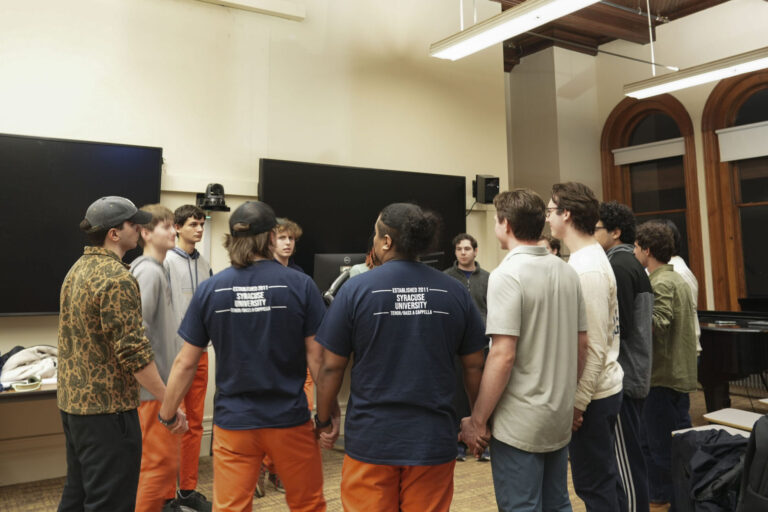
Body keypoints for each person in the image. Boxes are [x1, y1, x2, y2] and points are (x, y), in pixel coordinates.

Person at [159, 200, 333, 512]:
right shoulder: (301, 285)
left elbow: (185, 362)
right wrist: (326, 415)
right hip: (289, 421)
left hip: (234, 423)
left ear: (232, 240)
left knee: (231, 508)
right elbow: (319, 361)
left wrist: (168, 413)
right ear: (270, 239)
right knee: (308, 505)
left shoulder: (212, 288)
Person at [314, 203, 487, 512]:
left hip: (371, 440)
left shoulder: (355, 290)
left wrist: (324, 418)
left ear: (386, 242)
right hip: (433, 440)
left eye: (375, 233)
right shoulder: (454, 291)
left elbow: (330, 367)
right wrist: (477, 419)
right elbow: (474, 364)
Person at [460, 189, 587, 512]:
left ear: (505, 224)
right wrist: (568, 397)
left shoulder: (506, 275)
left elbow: (503, 355)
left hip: (520, 422)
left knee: (521, 506)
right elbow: (582, 343)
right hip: (557, 415)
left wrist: (478, 419)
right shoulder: (567, 272)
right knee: (557, 503)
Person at [57, 196, 186, 512]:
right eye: (133, 223)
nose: (140, 227)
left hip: (74, 406)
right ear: (114, 233)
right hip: (108, 411)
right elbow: (134, 352)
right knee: (110, 501)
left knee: (78, 494)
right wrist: (168, 402)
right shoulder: (117, 277)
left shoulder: (77, 269)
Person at [547, 182, 626, 512]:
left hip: (594, 396)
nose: (547, 218)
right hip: (594, 393)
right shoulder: (583, 259)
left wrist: (577, 404)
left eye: (551, 211)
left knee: (594, 485)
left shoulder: (588, 268)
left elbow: (593, 346)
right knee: (601, 481)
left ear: (566, 214)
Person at [634, 221, 698, 511]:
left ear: (647, 250)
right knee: (670, 442)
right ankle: (669, 494)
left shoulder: (660, 282)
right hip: (673, 376)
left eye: (636, 246)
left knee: (661, 447)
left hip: (662, 378)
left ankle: (671, 497)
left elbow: (657, 324)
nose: (634, 251)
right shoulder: (677, 280)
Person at [595, 201, 654, 512]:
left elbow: (620, 329)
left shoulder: (618, 265)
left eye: (597, 229)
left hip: (625, 377)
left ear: (615, 232)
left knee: (627, 467)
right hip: (634, 373)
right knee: (629, 459)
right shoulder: (629, 261)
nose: (591, 235)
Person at [131, 204, 188, 512]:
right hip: (152, 393)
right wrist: (164, 393)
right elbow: (136, 339)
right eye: (166, 227)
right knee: (157, 467)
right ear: (145, 233)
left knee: (161, 466)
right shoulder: (148, 272)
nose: (173, 231)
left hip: (159, 391)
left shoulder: (158, 269)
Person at [255, 217, 311, 497]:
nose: (288, 243)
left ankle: (275, 468)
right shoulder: (261, 273)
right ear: (270, 241)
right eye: (282, 238)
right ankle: (265, 467)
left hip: (297, 353)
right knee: (271, 416)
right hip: (268, 355)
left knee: (296, 415)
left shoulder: (300, 275)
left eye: (291, 239)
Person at [164, 205, 213, 511]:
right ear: (178, 227)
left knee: (194, 424)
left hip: (201, 354)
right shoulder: (165, 262)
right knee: (171, 423)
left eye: (201, 224)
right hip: (174, 355)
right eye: (193, 224)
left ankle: (187, 490)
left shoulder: (206, 263)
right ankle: (167, 495)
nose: (199, 229)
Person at [443, 233, 490, 462]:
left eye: (467, 249)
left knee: (482, 391)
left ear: (475, 251)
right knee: (456, 394)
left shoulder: (489, 278)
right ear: (455, 253)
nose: (463, 252)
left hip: (482, 343)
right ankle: (458, 442)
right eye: (459, 249)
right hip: (453, 344)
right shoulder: (445, 278)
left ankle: (483, 442)